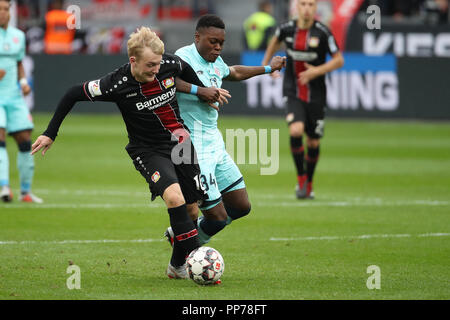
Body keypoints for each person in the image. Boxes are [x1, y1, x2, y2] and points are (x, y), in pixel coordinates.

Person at [31, 26, 228, 279]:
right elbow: (72, 93)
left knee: (191, 211)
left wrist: (202, 92)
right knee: (174, 198)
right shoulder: (115, 83)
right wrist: (50, 132)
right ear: (133, 60)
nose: (156, 70)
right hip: (148, 150)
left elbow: (183, 68)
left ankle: (177, 266)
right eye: (150, 65)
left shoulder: (169, 63)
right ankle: (197, 262)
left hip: (181, 143)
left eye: (158, 64)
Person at [163, 14, 286, 250]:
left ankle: (185, 235)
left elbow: (234, 72)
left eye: (221, 42)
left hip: (214, 142)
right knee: (217, 217)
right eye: (212, 41)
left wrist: (270, 67)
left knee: (241, 206)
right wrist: (201, 91)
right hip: (191, 144)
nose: (218, 47)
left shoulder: (215, 62)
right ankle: (186, 251)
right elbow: (167, 80)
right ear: (197, 37)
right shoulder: (182, 57)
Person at [262, 0, 344, 199]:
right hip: (293, 90)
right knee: (296, 129)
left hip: (316, 94)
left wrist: (316, 70)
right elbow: (273, 43)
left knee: (313, 142)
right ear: (296, 7)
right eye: (303, 4)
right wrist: (267, 67)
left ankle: (310, 182)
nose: (306, 8)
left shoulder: (323, 32)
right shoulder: (286, 29)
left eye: (310, 4)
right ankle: (301, 179)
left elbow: (339, 60)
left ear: (316, 8)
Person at [0, 0, 42, 203]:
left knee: (26, 140)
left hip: (14, 96)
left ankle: (25, 192)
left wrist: (24, 82)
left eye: (5, 9)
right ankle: (4, 187)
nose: (2, 12)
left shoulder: (18, 36)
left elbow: (19, 64)